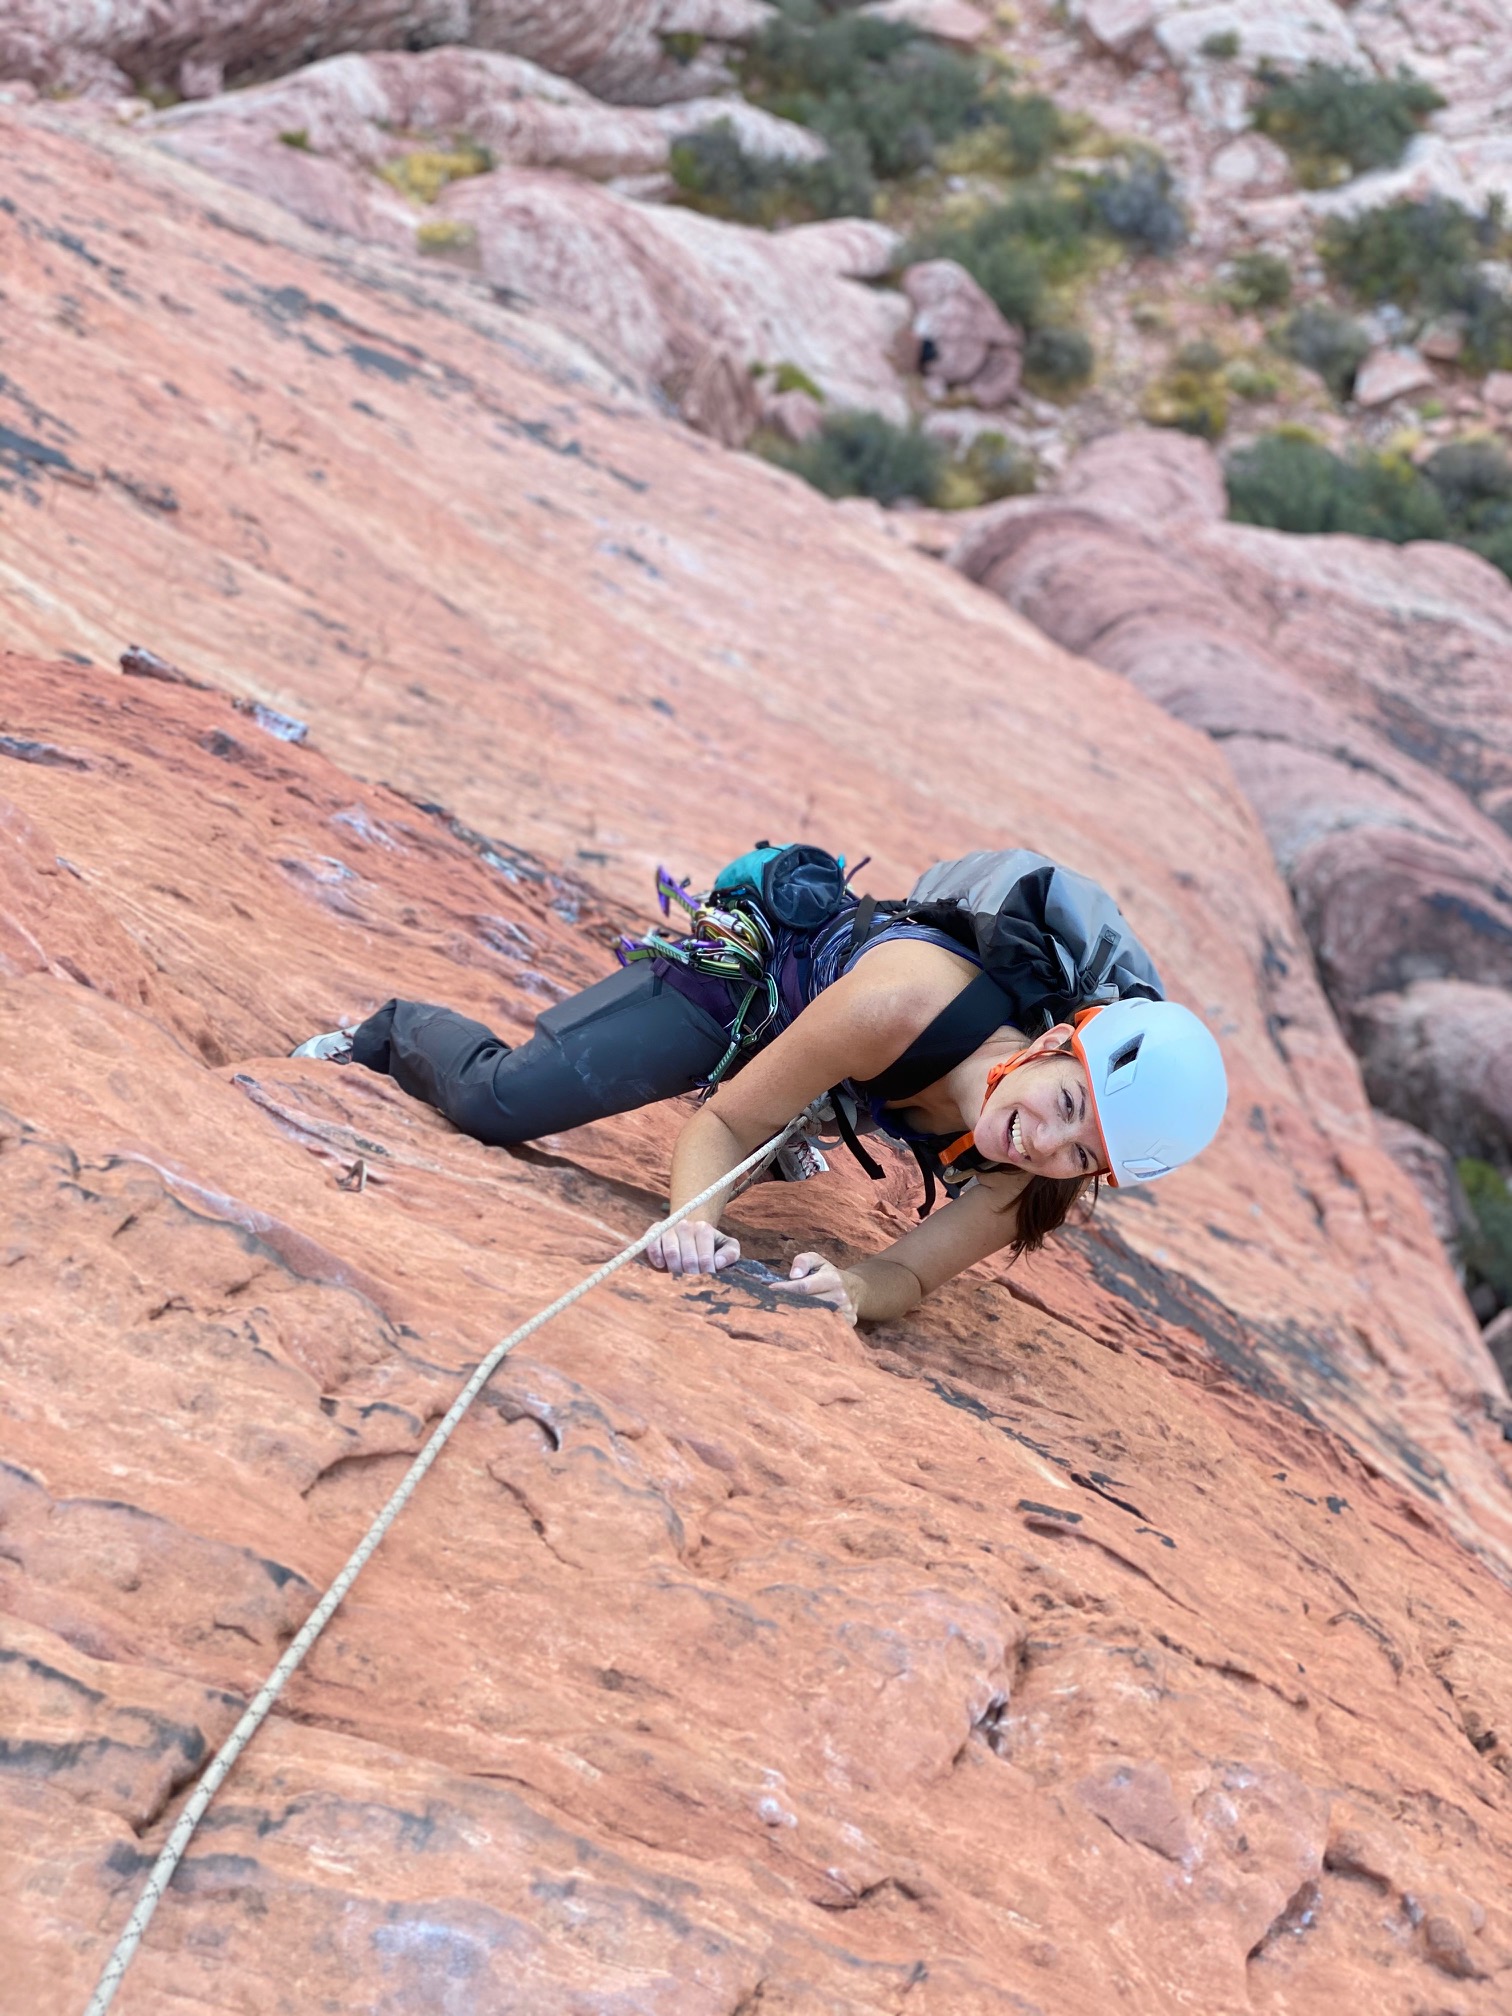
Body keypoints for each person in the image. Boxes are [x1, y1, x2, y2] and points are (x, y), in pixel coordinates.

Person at [293, 855, 1227, 1326]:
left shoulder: (1038, 1171)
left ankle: (809, 1122)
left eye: (1082, 1154)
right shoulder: (906, 1001)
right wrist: (685, 1217)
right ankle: (389, 1031)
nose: (1042, 1145)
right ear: (1057, 1042)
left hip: (846, 1079)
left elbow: (905, 1273)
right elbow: (730, 1114)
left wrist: (850, 1291)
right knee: (500, 1104)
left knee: (756, 1155)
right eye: (1067, 1104)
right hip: (759, 984)